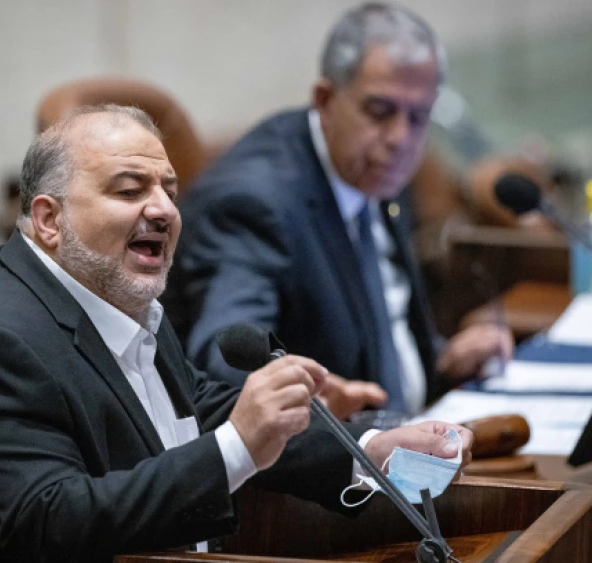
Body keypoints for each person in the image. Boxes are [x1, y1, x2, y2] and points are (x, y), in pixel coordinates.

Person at [0, 105, 473, 562]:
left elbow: (195, 412)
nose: (162, 209)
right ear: (49, 220)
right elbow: (50, 522)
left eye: (169, 191)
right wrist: (239, 444)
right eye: (130, 190)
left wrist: (369, 451)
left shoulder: (111, 297)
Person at [166, 2, 513, 417]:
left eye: (419, 117)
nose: (401, 138)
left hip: (418, 432)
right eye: (380, 111)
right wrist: (306, 398)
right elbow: (229, 357)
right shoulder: (254, 202)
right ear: (326, 99)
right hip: (330, 465)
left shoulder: (369, 167)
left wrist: (440, 361)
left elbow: (374, 321)